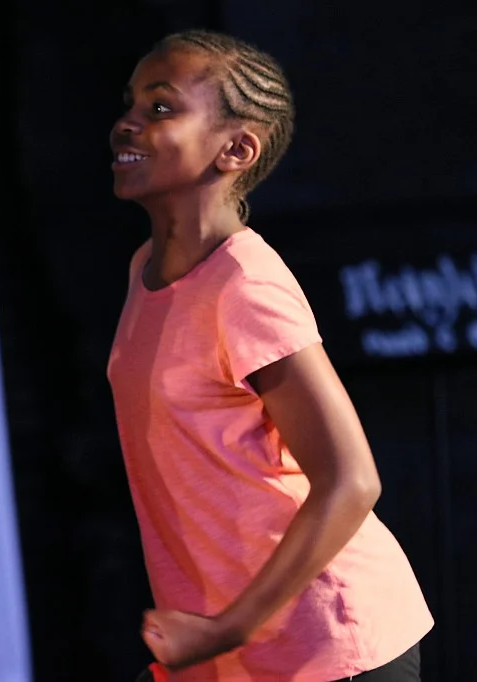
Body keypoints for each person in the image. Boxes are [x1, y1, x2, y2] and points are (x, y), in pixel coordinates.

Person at [107, 30, 432, 681]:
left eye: (160, 107)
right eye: (130, 104)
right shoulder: (146, 267)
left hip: (325, 642)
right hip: (230, 652)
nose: (126, 124)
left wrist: (230, 627)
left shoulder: (244, 284)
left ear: (236, 149)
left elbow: (351, 478)